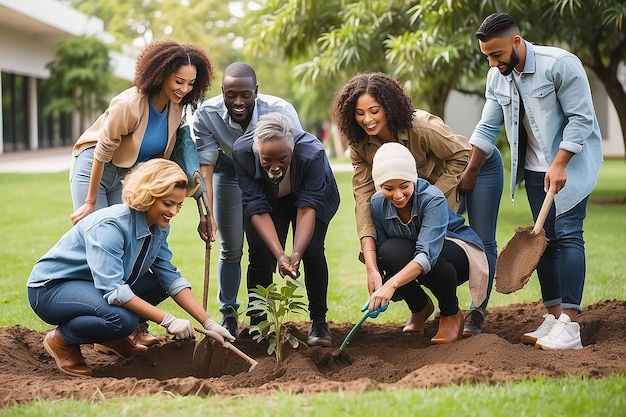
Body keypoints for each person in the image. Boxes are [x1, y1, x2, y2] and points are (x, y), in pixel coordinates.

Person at [27, 159, 234, 377]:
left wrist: (208, 322)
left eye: (179, 205)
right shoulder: (111, 226)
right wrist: (167, 319)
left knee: (159, 284)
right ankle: (61, 340)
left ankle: (112, 338)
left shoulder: (159, 226)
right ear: (149, 195)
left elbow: (170, 277)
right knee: (122, 319)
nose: (174, 211)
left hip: (92, 286)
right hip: (51, 289)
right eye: (167, 203)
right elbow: (114, 290)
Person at [469, 13, 603, 349]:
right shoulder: (497, 77)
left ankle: (570, 325)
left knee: (570, 236)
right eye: (486, 55)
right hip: (532, 172)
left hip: (570, 164)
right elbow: (487, 127)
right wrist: (470, 171)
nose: (492, 61)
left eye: (497, 54)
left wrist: (559, 162)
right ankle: (554, 316)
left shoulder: (559, 64)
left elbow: (581, 118)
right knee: (544, 240)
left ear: (516, 42)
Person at [69, 39, 213, 347]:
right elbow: (100, 154)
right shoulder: (129, 104)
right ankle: (104, 328)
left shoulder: (176, 108)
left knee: (137, 250)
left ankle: (122, 329)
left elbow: (180, 161)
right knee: (102, 245)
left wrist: (203, 212)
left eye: (190, 83)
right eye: (178, 81)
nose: (184, 89)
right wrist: (91, 202)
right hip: (95, 169)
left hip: (131, 179)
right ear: (161, 74)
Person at [330, 72, 472, 332]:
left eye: (374, 110)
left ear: (389, 107)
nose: (367, 119)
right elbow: (363, 198)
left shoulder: (422, 128)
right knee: (390, 252)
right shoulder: (360, 145)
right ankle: (420, 306)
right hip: (407, 204)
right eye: (360, 113)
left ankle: (459, 312)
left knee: (435, 251)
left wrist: (431, 197)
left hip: (443, 195)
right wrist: (371, 268)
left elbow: (462, 153)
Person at [192, 62, 302, 339]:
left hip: (269, 174)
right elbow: (207, 165)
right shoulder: (206, 114)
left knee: (261, 248)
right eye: (230, 95)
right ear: (222, 91)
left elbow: (295, 154)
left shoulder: (281, 111)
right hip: (228, 172)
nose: (237, 102)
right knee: (230, 248)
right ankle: (228, 313)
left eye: (244, 95)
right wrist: (208, 212)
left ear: (256, 91)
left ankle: (261, 317)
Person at [232, 112, 340, 347]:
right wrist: (280, 255)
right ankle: (258, 323)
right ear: (256, 150)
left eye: (282, 158)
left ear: (292, 149)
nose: (274, 167)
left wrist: (296, 253)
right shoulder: (242, 152)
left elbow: (306, 208)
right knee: (260, 252)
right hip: (268, 202)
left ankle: (319, 322)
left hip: (310, 200)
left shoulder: (313, 153)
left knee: (312, 251)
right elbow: (257, 207)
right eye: (266, 160)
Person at [365, 143, 488, 344]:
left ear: (413, 178)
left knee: (433, 258)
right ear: (380, 185)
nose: (397, 195)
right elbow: (384, 252)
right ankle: (420, 306)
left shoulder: (432, 198)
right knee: (387, 253)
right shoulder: (377, 204)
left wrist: (391, 284)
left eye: (404, 186)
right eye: (389, 188)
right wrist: (379, 281)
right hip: (416, 251)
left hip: (455, 251)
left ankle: (450, 313)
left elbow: (427, 254)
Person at [458, 146, 504, 337]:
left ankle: (477, 310)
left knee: (484, 241)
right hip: (443, 170)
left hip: (481, 161)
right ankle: (447, 308)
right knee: (438, 235)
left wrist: (472, 169)